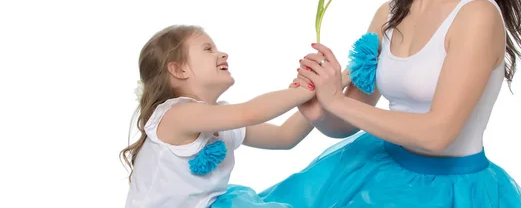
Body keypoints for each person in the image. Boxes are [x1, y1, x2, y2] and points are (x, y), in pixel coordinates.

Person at [222, 0, 521, 208]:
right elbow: (349, 121)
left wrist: (337, 101)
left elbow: (439, 134)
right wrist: (320, 110)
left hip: (451, 189)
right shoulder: (389, 13)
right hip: (379, 170)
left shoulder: (479, 15)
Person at [120, 25, 350, 208]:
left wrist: (329, 89)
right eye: (208, 49)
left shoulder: (221, 120)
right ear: (179, 70)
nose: (222, 53)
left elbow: (284, 136)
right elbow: (250, 113)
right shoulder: (175, 115)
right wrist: (303, 91)